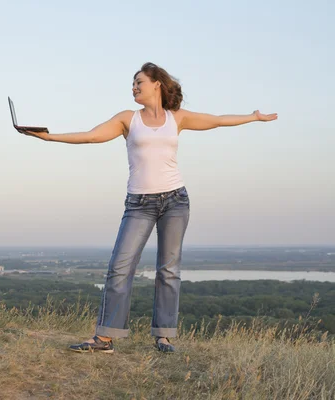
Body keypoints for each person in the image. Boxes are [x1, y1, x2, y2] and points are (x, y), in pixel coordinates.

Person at [17, 62, 277, 353]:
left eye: (138, 82)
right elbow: (91, 136)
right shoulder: (128, 119)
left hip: (175, 201)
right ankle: (104, 338)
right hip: (139, 203)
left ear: (157, 84)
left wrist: (253, 118)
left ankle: (163, 336)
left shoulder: (176, 118)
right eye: (132, 83)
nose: (134, 87)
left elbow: (215, 120)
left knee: (168, 270)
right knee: (120, 267)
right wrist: (49, 136)